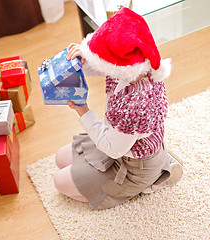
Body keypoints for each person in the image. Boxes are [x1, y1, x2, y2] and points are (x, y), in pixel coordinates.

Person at [53, 7, 183, 209]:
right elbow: (103, 67)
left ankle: (151, 181)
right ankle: (161, 165)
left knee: (60, 183)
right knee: (60, 158)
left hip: (134, 166)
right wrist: (84, 57)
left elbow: (113, 149)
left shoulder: (135, 105)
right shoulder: (137, 66)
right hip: (121, 142)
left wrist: (83, 111)